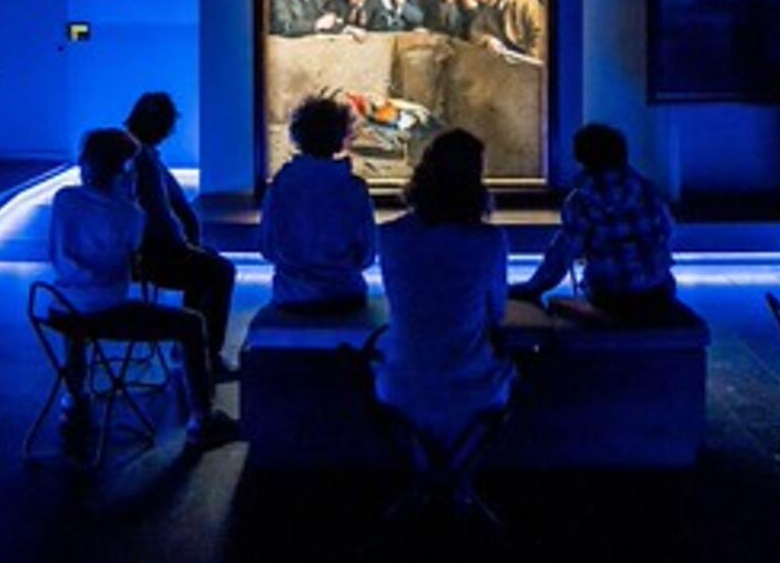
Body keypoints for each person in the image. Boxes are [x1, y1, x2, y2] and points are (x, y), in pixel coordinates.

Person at [48, 128, 241, 451]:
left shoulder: (63, 199)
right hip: (108, 312)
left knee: (78, 316)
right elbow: (131, 259)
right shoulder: (130, 215)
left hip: (59, 308)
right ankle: (202, 418)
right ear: (125, 170)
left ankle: (75, 398)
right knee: (192, 324)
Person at [376, 129, 514, 449]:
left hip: (400, 389)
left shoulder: (389, 236)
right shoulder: (490, 241)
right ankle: (460, 471)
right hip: (474, 390)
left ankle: (428, 469)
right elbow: (497, 313)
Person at [125, 93, 240, 381]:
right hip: (154, 254)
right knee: (221, 271)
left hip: (154, 249)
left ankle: (192, 347)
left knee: (207, 266)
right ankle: (205, 356)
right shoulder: (143, 160)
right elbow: (158, 213)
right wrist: (184, 245)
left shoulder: (141, 154)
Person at [510, 124, 678, 318]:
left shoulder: (581, 201)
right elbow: (667, 230)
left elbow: (562, 256)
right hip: (659, 292)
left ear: (581, 158)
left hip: (611, 298)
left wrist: (532, 288)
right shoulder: (647, 190)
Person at [259, 96, 377, 312]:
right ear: (342, 135)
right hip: (345, 294)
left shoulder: (281, 186)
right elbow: (367, 254)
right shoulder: (354, 189)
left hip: (291, 295)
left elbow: (268, 247)